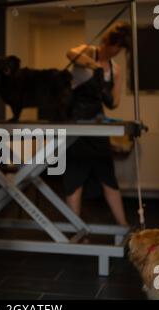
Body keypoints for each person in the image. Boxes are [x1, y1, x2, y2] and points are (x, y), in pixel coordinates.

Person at [63, 21, 131, 227]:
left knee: (107, 176)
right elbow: (69, 53)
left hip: (97, 125)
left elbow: (114, 103)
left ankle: (124, 226)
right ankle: (77, 229)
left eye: (120, 47)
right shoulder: (88, 51)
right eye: (114, 45)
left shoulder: (115, 69)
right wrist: (94, 66)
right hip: (75, 124)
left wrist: (107, 88)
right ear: (106, 41)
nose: (116, 50)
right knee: (75, 178)